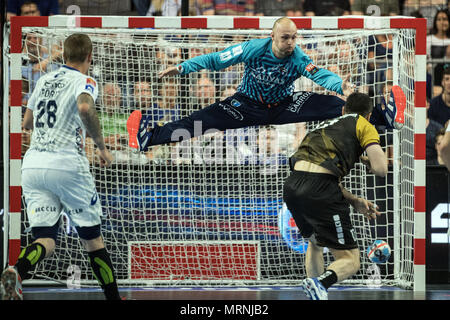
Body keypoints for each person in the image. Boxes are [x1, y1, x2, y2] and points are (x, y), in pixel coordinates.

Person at [127, 17, 405, 152]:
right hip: (245, 105)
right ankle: (148, 138)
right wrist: (184, 67)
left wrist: (339, 86)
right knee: (198, 122)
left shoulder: (298, 56)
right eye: (285, 38)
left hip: (285, 105)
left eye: (294, 38)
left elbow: (318, 73)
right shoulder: (253, 48)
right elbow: (217, 59)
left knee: (338, 105)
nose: (291, 43)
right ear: (272, 36)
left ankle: (384, 117)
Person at [1, 34, 121, 301]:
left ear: (63, 56)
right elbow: (84, 107)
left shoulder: (43, 80)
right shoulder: (85, 81)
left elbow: (28, 122)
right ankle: (114, 299)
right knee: (93, 241)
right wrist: (101, 147)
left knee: (46, 240)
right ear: (89, 57)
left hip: (33, 166)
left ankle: (16, 271)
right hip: (67, 164)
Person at [283, 92, 388, 300]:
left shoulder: (323, 127)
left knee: (315, 242)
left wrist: (355, 200)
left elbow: (317, 172)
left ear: (343, 110)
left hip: (292, 186)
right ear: (368, 115)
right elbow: (381, 169)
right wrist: (370, 158)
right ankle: (320, 282)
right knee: (351, 259)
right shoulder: (364, 125)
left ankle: (315, 293)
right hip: (320, 189)